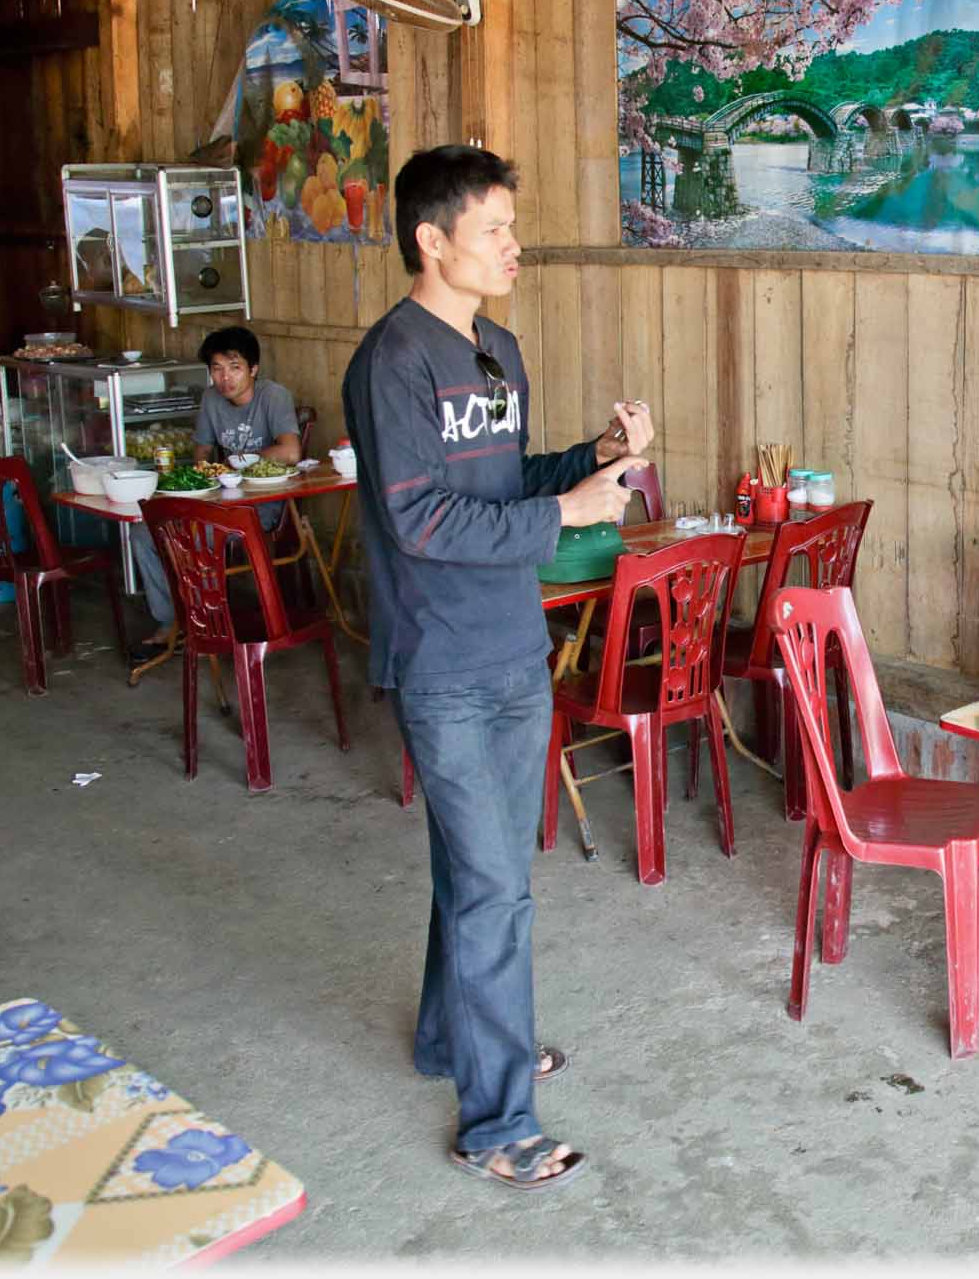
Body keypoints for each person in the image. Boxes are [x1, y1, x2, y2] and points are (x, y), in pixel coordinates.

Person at [342, 145, 652, 1193]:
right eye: (495, 231)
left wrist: (589, 459)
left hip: (514, 646)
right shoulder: (392, 363)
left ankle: (451, 1040)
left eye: (513, 229)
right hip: (441, 658)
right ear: (431, 240)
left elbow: (502, 477)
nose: (515, 247)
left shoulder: (497, 351)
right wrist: (562, 512)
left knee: (485, 876)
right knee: (495, 891)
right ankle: (497, 1118)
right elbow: (420, 515)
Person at [126, 326, 300, 663]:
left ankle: (203, 621)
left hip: (258, 509)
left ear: (253, 369)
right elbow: (202, 452)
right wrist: (207, 474)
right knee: (143, 533)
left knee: (177, 536)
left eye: (234, 367)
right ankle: (171, 621)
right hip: (216, 501)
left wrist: (239, 464)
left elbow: (291, 451)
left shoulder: (273, 396)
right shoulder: (210, 398)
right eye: (217, 368)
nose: (225, 378)